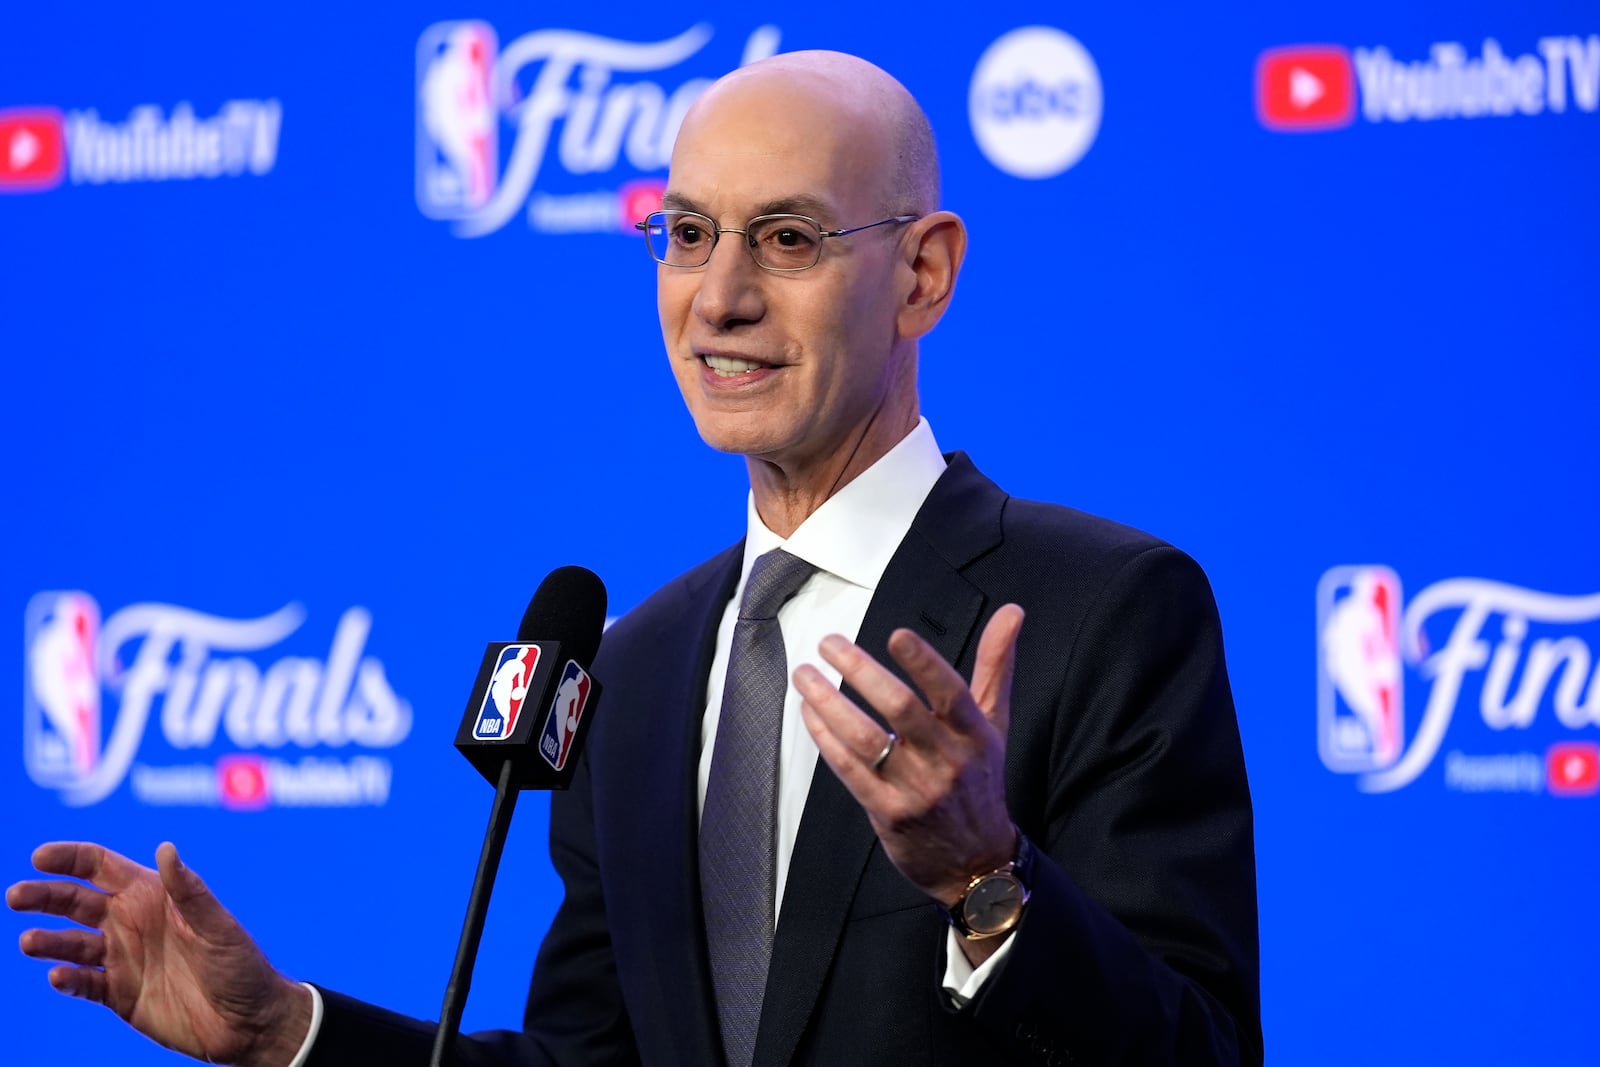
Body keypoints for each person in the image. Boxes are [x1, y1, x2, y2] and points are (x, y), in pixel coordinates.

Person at [9, 51, 1262, 1066]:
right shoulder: (637, 671)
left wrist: (989, 882)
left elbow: (1202, 1050)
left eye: (785, 239)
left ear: (921, 272)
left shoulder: (1099, 611)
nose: (716, 297)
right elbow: (587, 1061)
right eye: (685, 233)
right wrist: (289, 1031)